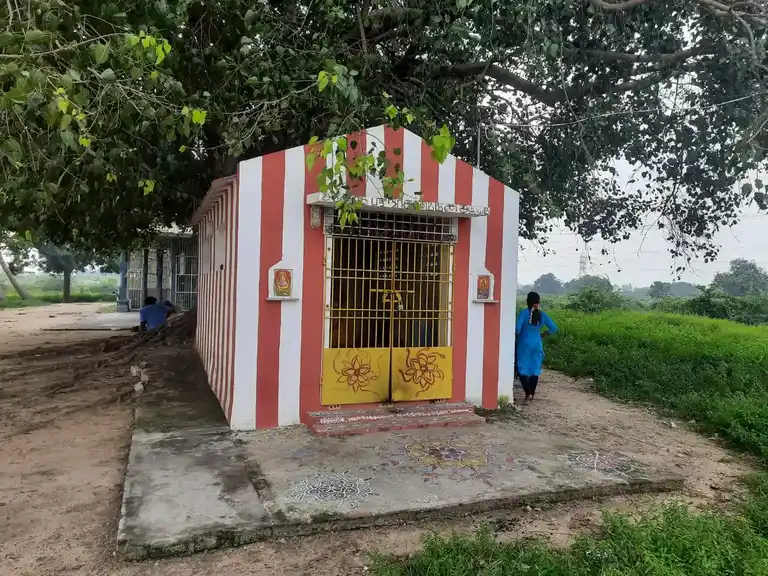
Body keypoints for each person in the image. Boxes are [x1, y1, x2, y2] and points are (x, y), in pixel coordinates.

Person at [515, 291, 558, 403]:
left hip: (524, 344)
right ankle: (532, 394)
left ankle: (527, 393)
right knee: (535, 369)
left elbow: (517, 329)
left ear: (527, 302)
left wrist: (519, 336)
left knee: (522, 369)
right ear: (538, 302)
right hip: (537, 343)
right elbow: (554, 328)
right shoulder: (542, 315)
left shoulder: (524, 313)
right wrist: (543, 334)